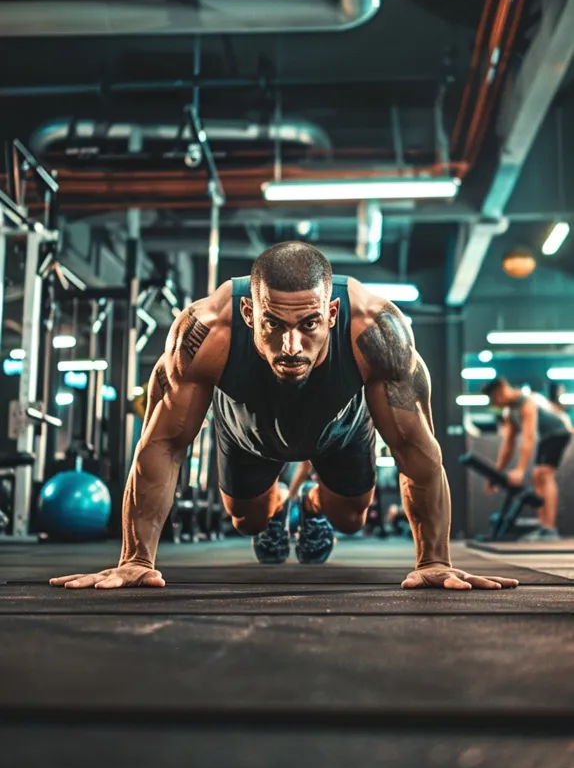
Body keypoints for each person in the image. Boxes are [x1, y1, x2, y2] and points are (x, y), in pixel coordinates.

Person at [51, 242, 517, 592]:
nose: (291, 347)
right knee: (246, 522)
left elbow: (417, 452)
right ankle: (276, 509)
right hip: (248, 433)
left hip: (342, 429)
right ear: (250, 312)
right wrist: (136, 557)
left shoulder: (375, 331)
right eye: (274, 324)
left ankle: (311, 505)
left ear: (332, 313)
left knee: (351, 518)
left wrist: (433, 560)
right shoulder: (207, 331)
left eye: (309, 324)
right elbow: (163, 444)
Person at [481, 376, 572, 541]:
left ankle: (550, 529)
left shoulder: (526, 403)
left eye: (493, 398)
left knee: (544, 474)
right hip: (546, 437)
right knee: (537, 476)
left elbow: (529, 439)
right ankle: (544, 527)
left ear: (502, 389)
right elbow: (508, 446)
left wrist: (520, 470)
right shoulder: (510, 412)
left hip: (559, 433)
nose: (493, 403)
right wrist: (495, 474)